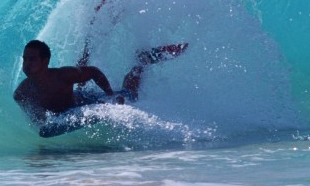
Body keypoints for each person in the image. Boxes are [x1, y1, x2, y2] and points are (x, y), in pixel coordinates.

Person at [13, 39, 187, 125]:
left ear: (45, 61)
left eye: (32, 59)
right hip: (70, 104)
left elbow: (94, 72)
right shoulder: (21, 93)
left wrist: (110, 94)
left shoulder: (61, 75)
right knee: (79, 76)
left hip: (86, 100)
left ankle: (141, 62)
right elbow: (36, 117)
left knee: (129, 95)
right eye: (25, 59)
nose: (26, 64)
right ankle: (88, 46)